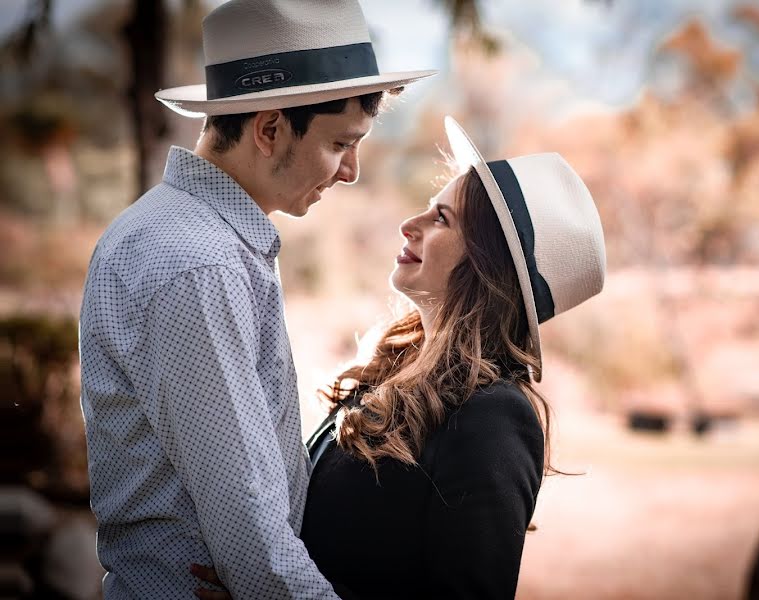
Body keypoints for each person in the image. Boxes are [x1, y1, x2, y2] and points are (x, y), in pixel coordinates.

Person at [78, 0, 434, 597]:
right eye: (341, 144)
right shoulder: (199, 261)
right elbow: (249, 535)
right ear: (269, 130)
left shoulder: (184, 235)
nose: (350, 171)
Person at [192, 117, 607, 599]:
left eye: (442, 219)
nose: (409, 225)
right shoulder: (394, 372)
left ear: (485, 263)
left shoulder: (494, 416)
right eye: (430, 210)